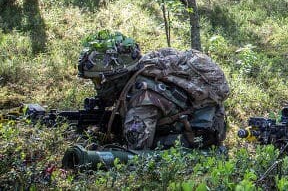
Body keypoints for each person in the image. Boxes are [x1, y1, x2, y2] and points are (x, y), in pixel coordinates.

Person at [76, 30, 229, 150]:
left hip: (199, 136)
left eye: (97, 80)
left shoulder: (142, 100)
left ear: (115, 77)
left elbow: (136, 151)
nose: (97, 87)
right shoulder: (143, 70)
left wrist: (95, 146)